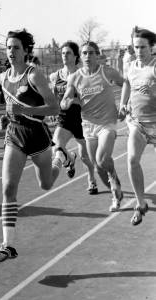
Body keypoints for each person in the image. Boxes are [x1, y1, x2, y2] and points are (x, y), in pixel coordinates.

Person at [0, 29, 75, 262]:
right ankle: (7, 245)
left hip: (37, 135)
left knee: (46, 184)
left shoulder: (34, 75)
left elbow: (54, 108)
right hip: (15, 136)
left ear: (26, 51)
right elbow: (11, 107)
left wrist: (26, 111)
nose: (11, 51)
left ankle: (62, 156)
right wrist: (6, 118)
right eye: (8, 47)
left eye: (16, 47)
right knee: (8, 188)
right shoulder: (2, 77)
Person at [61, 41, 124, 212]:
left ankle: (113, 179)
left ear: (97, 55)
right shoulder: (74, 77)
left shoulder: (107, 71)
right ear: (80, 57)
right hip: (88, 125)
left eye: (90, 53)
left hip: (107, 123)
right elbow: (65, 99)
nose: (87, 56)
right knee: (96, 165)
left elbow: (125, 84)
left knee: (103, 159)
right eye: (84, 53)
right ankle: (115, 191)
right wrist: (68, 101)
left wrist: (125, 104)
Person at [118, 27, 156, 225]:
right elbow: (126, 83)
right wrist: (123, 104)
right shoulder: (131, 66)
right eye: (136, 47)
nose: (139, 51)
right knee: (132, 160)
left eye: (142, 47)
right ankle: (141, 204)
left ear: (152, 47)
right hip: (138, 123)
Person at [49, 41, 97, 193]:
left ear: (76, 56)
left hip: (82, 119)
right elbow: (54, 96)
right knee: (56, 148)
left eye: (68, 53)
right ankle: (70, 158)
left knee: (85, 156)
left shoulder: (83, 75)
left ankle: (91, 180)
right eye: (63, 53)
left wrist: (74, 100)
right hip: (64, 119)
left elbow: (90, 99)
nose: (64, 56)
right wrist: (52, 110)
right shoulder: (55, 76)